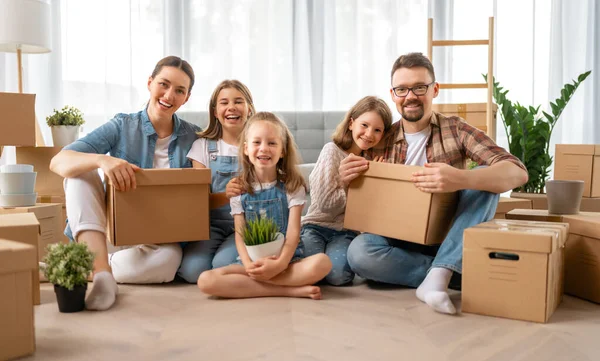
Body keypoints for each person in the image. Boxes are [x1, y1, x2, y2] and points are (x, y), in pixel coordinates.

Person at [341, 52, 528, 314]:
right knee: (359, 252)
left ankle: (439, 275)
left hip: (448, 233)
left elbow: (517, 172)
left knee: (486, 177)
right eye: (402, 89)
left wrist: (460, 178)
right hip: (399, 240)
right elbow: (362, 201)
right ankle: (446, 273)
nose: (410, 96)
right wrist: (347, 178)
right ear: (393, 94)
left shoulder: (456, 129)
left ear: (435, 89)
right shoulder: (380, 136)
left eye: (419, 87)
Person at [50, 56, 200, 311]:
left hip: (160, 240)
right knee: (79, 174)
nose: (169, 95)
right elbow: (59, 161)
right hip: (112, 231)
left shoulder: (195, 137)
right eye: (163, 84)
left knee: (169, 262)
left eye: (179, 90)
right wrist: (102, 161)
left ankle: (97, 269)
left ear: (186, 98)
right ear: (150, 83)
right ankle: (103, 276)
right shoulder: (122, 125)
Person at [197, 112, 332, 299]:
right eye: (256, 142)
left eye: (272, 143)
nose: (264, 149)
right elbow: (240, 234)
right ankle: (290, 290)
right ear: (245, 148)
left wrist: (280, 264)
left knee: (323, 263)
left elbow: (293, 235)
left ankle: (261, 284)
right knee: (205, 280)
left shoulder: (292, 186)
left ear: (282, 150)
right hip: (252, 263)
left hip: (287, 261)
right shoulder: (239, 189)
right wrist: (247, 265)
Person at [300, 96, 392, 285]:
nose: (369, 134)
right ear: (351, 123)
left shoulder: (372, 162)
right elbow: (325, 206)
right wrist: (344, 181)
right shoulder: (331, 151)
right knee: (308, 271)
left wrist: (375, 180)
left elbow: (370, 209)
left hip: (345, 231)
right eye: (364, 125)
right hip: (315, 226)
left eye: (377, 130)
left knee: (339, 276)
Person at [177, 80, 255, 283]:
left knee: (223, 266)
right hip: (210, 225)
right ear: (214, 111)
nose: (231, 107)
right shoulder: (201, 146)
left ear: (249, 109)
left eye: (239, 101)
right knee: (191, 272)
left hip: (248, 223)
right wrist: (226, 195)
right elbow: (199, 201)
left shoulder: (258, 145)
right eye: (224, 102)